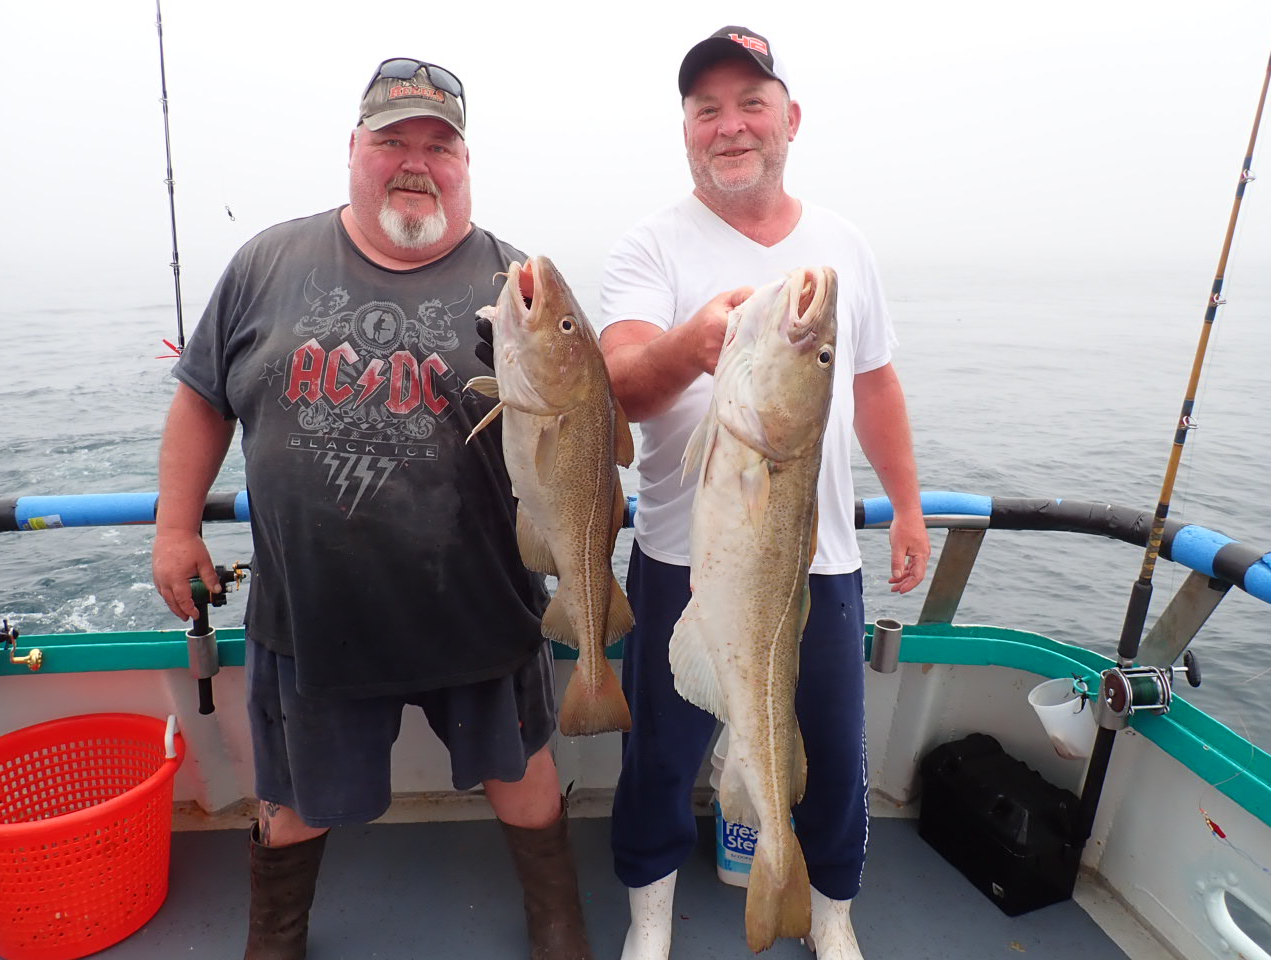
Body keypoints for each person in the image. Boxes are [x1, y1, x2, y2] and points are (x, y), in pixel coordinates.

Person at [152, 58, 593, 960]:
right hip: (314, 616)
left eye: (440, 144)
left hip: (480, 605)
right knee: (294, 800)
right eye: (394, 140)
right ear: (355, 148)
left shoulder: (524, 287)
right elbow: (202, 397)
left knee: (523, 771)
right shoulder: (267, 262)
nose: (415, 162)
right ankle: (276, 935)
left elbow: (582, 426)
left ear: (466, 163)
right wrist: (173, 527)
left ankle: (557, 917)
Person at [597, 27, 931, 960]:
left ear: (790, 118)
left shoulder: (843, 245)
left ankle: (829, 914)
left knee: (830, 755)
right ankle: (649, 919)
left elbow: (871, 383)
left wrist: (906, 508)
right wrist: (691, 346)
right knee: (659, 757)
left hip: (820, 564)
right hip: (681, 560)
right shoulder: (650, 246)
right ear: (687, 130)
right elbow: (617, 387)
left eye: (751, 103)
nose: (730, 125)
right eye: (707, 109)